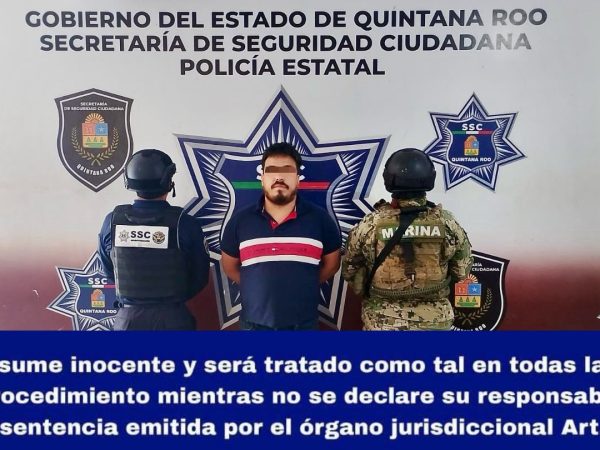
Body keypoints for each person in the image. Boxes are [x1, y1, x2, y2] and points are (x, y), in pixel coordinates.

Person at [342, 148, 472, 331]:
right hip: (435, 323)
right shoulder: (448, 223)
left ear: (389, 180)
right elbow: (461, 271)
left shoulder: (370, 224)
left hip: (382, 323)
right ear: (429, 179)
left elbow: (350, 272)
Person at [220, 142, 342, 330]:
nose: (279, 177)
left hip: (304, 327)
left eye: (287, 170)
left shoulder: (321, 220)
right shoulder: (240, 222)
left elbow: (332, 264)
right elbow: (229, 266)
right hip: (253, 327)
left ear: (298, 179)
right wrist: (255, 285)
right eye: (271, 171)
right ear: (262, 178)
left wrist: (306, 282)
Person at [98, 149, 210, 330]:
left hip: (128, 320)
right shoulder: (184, 224)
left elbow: (109, 270)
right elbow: (200, 277)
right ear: (169, 182)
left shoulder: (112, 221)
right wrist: (170, 300)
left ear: (129, 181)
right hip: (172, 319)